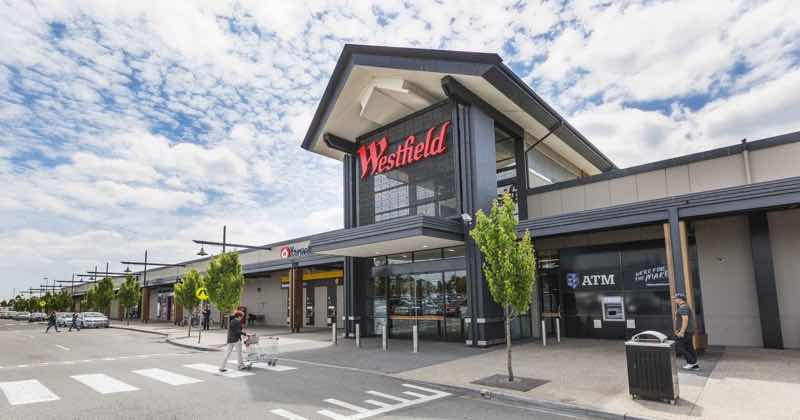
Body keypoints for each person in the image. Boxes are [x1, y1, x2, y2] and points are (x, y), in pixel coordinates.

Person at [673, 292, 699, 370]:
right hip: (688, 331)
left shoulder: (683, 308)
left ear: (680, 299)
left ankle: (692, 362)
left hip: (685, 331)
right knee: (689, 346)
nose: (674, 300)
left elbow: (685, 320)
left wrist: (682, 331)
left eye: (675, 298)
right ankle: (695, 365)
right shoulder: (684, 307)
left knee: (679, 346)